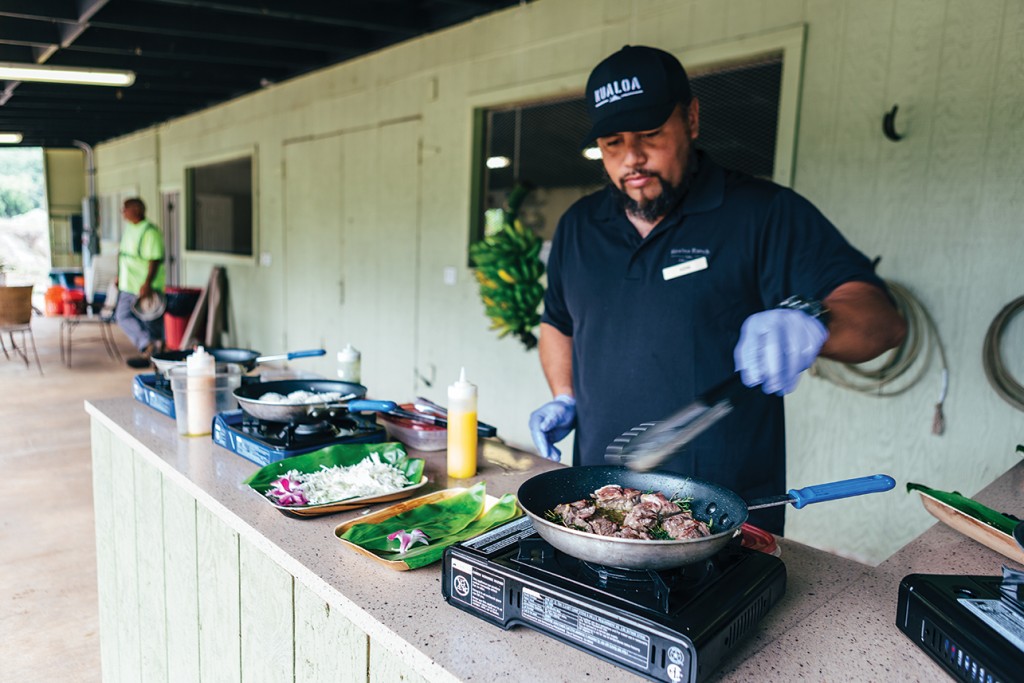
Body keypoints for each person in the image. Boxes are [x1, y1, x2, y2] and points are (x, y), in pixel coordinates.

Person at [528, 46, 906, 534]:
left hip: (724, 510)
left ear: (691, 119)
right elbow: (558, 323)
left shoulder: (763, 213)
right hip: (598, 506)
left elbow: (883, 322)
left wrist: (817, 324)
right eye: (613, 143)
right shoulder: (579, 226)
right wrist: (565, 396)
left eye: (649, 135)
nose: (632, 159)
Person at [115, 197, 165, 368]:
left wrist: (147, 284)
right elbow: (123, 254)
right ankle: (148, 345)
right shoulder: (130, 228)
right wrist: (119, 276)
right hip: (127, 284)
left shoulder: (150, 232)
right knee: (122, 316)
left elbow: (154, 260)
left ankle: (153, 354)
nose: (123, 212)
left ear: (136, 210)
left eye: (125, 209)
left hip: (143, 286)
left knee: (149, 321)